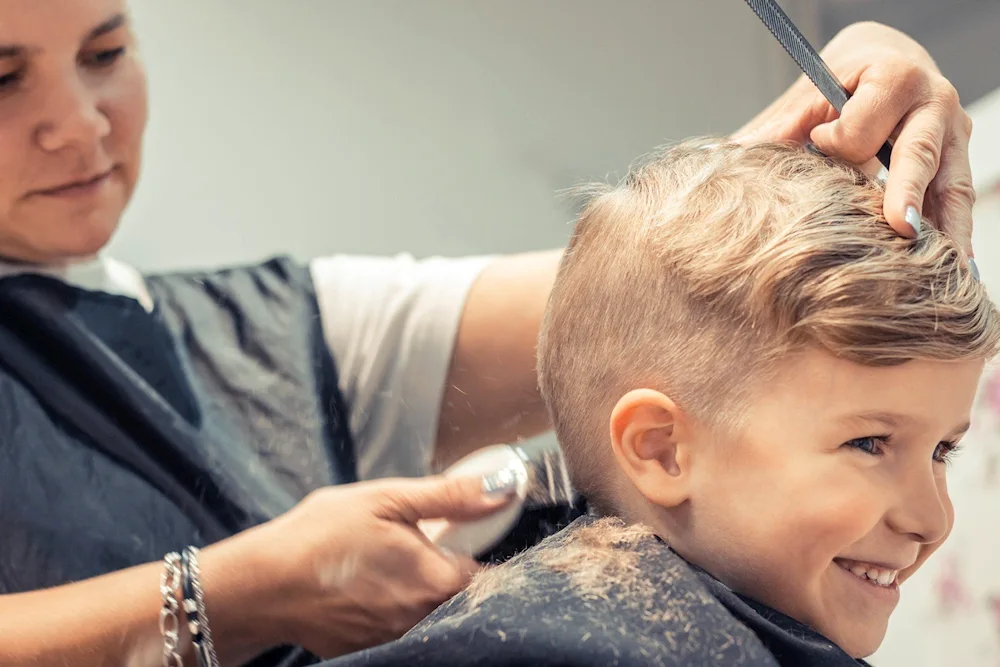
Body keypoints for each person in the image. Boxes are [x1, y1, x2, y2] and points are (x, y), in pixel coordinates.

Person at [0, 0, 979, 663]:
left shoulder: (268, 331)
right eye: (4, 77)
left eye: (104, 53)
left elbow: (672, 298)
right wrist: (225, 595)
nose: (79, 127)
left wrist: (835, 118)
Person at [326, 139, 998, 667]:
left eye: (943, 449)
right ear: (661, 448)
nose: (931, 518)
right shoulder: (577, 650)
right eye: (870, 443)